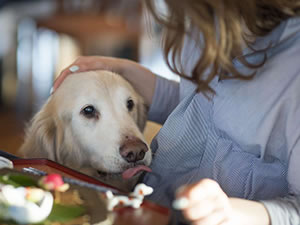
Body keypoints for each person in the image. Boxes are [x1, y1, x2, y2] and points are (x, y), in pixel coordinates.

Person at [53, 0, 300, 224]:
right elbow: (204, 113)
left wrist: (231, 213)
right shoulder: (204, 16)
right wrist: (134, 77)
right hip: (148, 209)